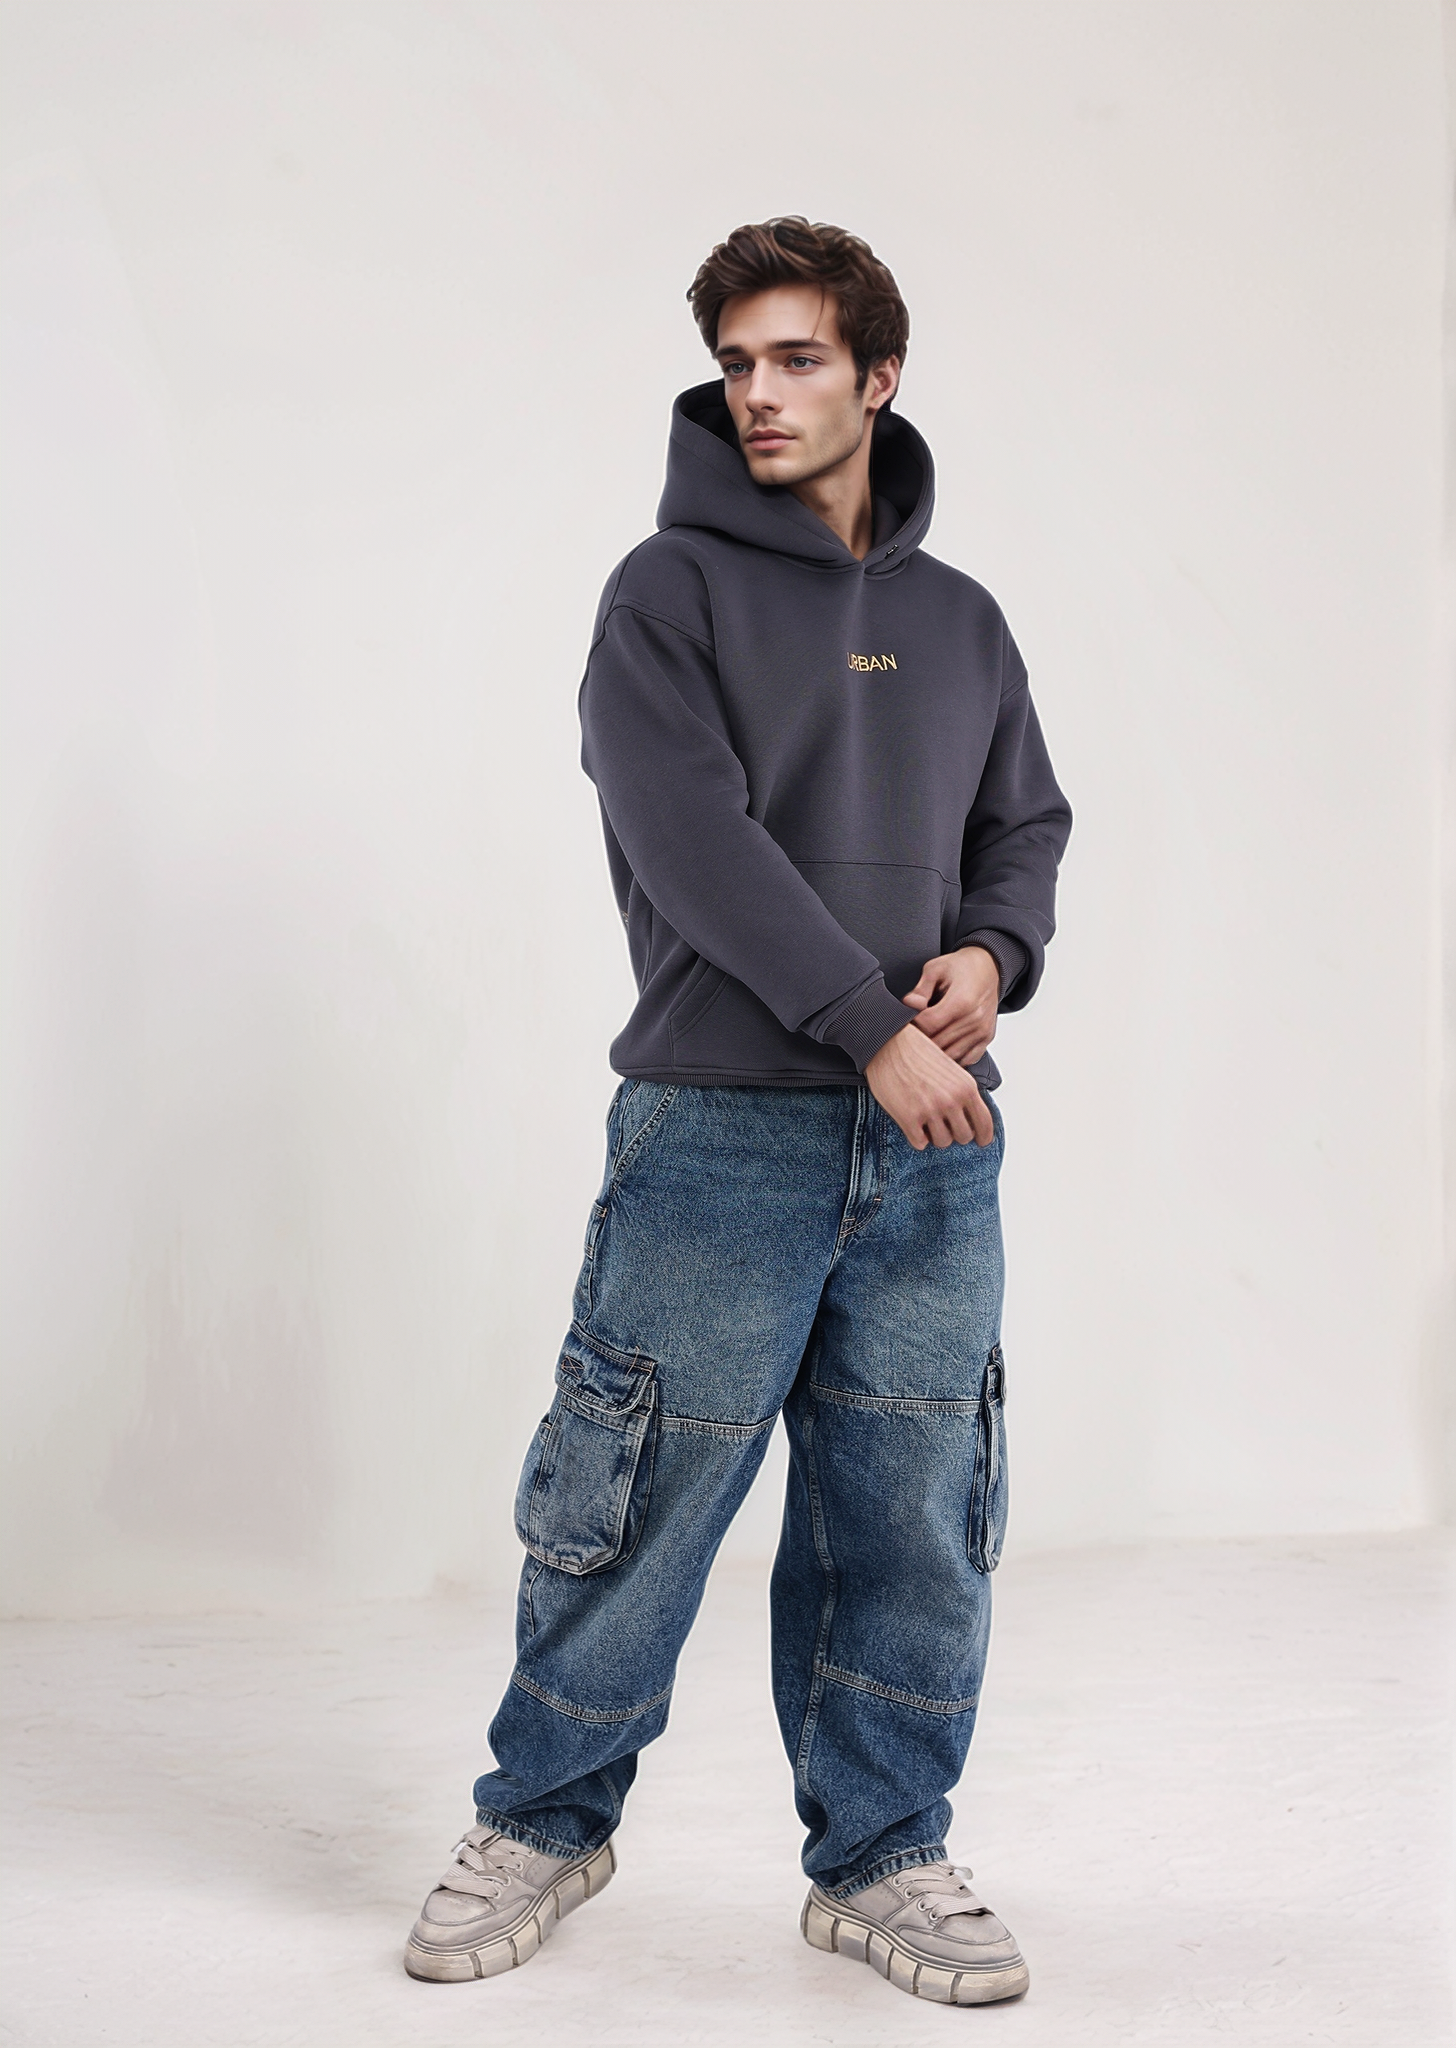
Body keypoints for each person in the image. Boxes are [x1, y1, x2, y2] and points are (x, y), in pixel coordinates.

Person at [404, 217, 1071, 2007]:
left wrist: (994, 957)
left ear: (880, 376)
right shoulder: (666, 592)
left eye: (796, 359)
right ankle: (543, 1819)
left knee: (911, 1512)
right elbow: (689, 840)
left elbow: (1024, 823)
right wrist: (865, 1026)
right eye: (736, 363)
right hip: (721, 1126)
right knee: (633, 1499)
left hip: (935, 1146)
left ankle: (883, 1855)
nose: (758, 393)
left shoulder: (960, 619)